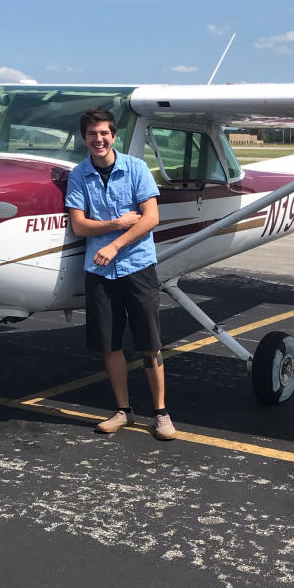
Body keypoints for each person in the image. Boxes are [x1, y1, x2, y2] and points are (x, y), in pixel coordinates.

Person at [65, 108, 177, 440]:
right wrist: (117, 223)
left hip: (137, 266)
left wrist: (114, 245)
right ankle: (123, 411)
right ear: (84, 138)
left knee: (149, 344)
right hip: (99, 272)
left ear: (113, 136)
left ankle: (161, 413)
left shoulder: (136, 168)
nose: (97, 139)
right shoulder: (78, 175)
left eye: (103, 133)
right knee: (109, 345)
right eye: (90, 134)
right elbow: (79, 224)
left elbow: (150, 218)